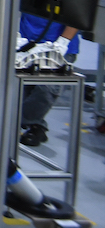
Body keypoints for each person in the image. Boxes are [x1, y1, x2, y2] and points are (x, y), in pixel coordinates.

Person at [18, 12, 80, 146]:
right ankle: (36, 126)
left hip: (59, 47)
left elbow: (77, 16)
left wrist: (63, 42)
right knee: (22, 89)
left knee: (46, 89)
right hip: (26, 43)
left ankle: (19, 119)